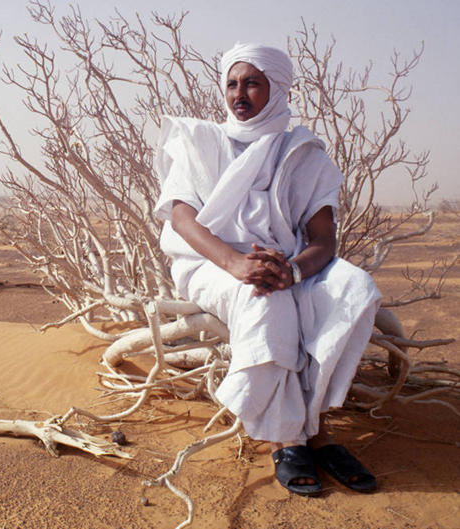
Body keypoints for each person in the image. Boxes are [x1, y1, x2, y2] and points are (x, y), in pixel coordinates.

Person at [153, 42, 382, 495]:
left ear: (275, 88)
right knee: (267, 300)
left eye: (252, 83)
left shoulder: (301, 152)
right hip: (209, 261)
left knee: (354, 287)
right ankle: (295, 438)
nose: (239, 94)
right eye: (232, 83)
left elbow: (323, 240)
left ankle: (312, 420)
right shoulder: (200, 141)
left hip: (287, 261)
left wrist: (293, 272)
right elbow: (181, 218)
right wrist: (237, 263)